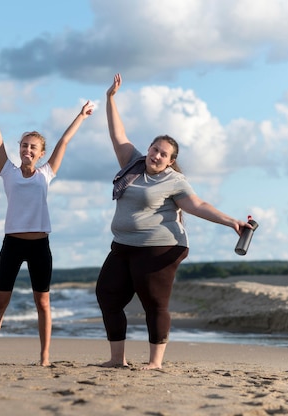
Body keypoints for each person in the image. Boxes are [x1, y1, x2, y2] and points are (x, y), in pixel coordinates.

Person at [96, 73, 253, 370]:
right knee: (107, 295)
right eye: (154, 149)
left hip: (160, 247)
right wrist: (110, 99)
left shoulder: (174, 181)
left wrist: (231, 221)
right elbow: (118, 134)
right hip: (123, 245)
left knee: (153, 303)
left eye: (163, 154)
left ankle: (155, 362)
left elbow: (197, 205)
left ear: (170, 160)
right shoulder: (133, 162)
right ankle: (117, 359)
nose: (156, 156)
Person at [0, 88, 94, 366]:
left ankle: (45, 357)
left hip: (40, 246)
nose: (27, 150)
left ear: (40, 153)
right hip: (12, 244)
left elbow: (64, 141)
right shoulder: (7, 171)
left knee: (43, 303)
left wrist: (81, 116)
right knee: (0, 302)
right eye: (24, 145)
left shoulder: (46, 173)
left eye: (32, 147)